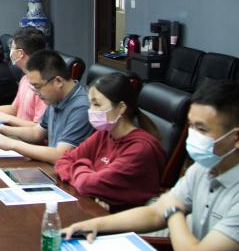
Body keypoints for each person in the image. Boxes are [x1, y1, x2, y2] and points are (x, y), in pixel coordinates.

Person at [64, 81, 239, 251]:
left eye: (201, 129)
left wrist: (173, 210)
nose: (191, 135)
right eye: (190, 126)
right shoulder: (205, 168)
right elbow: (155, 213)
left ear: (238, 138)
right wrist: (96, 224)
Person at [54, 72, 165, 210]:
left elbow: (87, 184)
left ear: (121, 108)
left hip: (128, 216)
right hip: (98, 205)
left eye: (97, 104)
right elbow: (62, 161)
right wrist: (93, 187)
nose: (91, 110)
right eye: (90, 104)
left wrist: (82, 165)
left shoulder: (140, 148)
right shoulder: (104, 134)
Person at [0, 49, 93, 164]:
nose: (36, 93)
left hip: (66, 173)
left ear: (58, 81)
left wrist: (12, 144)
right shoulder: (57, 97)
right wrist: (0, 129)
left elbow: (60, 155)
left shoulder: (82, 108)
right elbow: (36, 133)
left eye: (37, 86)